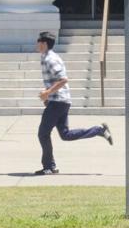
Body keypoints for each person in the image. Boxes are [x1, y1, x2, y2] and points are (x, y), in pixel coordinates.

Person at [35, 30, 112, 175]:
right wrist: (47, 97)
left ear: (44, 44)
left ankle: (49, 167)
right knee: (65, 134)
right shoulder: (46, 57)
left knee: (43, 134)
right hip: (61, 101)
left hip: (58, 102)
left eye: (38, 41)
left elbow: (63, 79)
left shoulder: (49, 59)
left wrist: (47, 93)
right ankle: (99, 130)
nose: (36, 44)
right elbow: (55, 81)